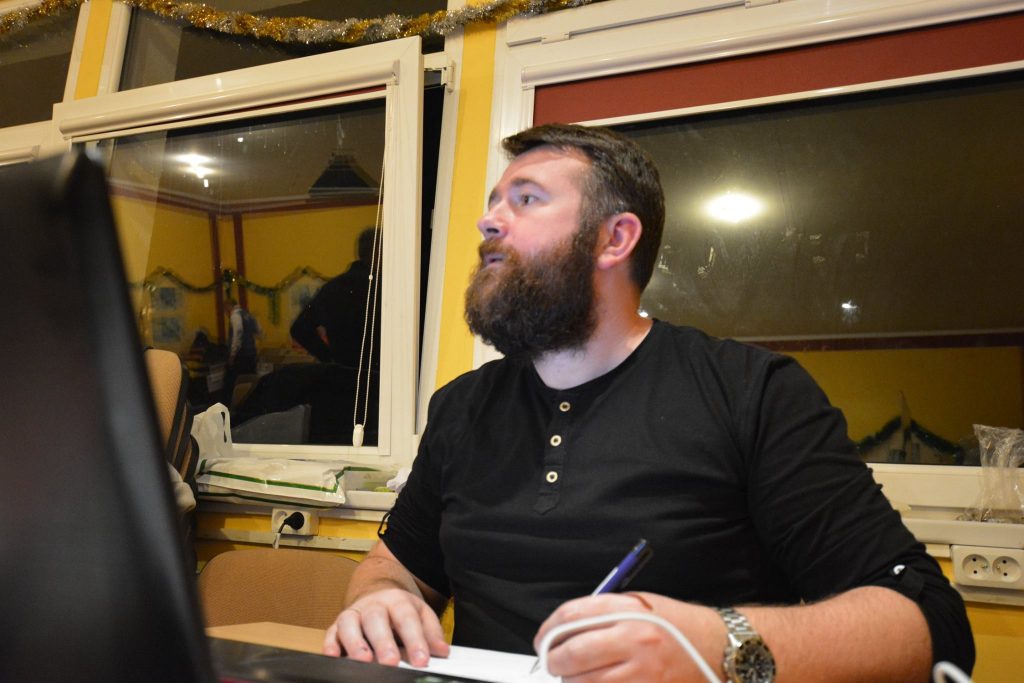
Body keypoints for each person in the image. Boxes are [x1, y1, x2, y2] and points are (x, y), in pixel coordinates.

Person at [323, 124, 974, 681]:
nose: (488, 220)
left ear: (615, 239)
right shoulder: (461, 406)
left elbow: (931, 623)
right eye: (494, 201)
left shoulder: (751, 391)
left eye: (526, 199)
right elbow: (395, 567)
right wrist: (379, 598)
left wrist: (720, 645)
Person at [290, 227, 380, 368]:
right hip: (378, 372)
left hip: (344, 371)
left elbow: (299, 328)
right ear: (375, 253)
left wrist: (329, 358)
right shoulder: (382, 287)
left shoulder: (334, 287)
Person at [223, 295, 262, 405]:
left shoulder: (235, 315)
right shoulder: (248, 315)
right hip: (251, 353)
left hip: (241, 355)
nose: (226, 313)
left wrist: (232, 355)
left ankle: (234, 405)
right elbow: (260, 332)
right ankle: (250, 404)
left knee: (234, 382)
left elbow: (238, 335)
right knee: (250, 381)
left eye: (225, 309)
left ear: (229, 306)